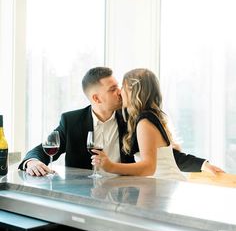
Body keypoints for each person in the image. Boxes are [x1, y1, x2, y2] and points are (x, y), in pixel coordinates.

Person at [18, 67, 223, 176]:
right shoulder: (72, 121)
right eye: (112, 89)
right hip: (83, 200)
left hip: (125, 196)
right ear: (96, 99)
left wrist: (203, 165)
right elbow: (45, 149)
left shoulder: (132, 119)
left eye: (119, 86)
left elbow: (159, 155)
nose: (120, 92)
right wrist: (32, 161)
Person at [91, 68, 223, 179]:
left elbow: (149, 167)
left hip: (164, 185)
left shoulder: (144, 121)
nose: (120, 92)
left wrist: (111, 166)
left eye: (123, 87)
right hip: (158, 185)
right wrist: (204, 165)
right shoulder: (146, 117)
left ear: (134, 91)